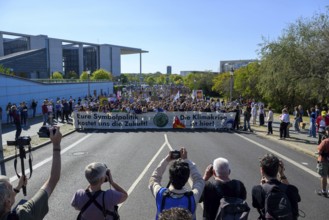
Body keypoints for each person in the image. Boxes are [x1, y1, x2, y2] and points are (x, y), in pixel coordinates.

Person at [0, 126, 62, 219]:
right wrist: (56, 145)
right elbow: (53, 180)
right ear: (8, 203)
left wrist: (17, 188)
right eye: (10, 188)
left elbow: (6, 200)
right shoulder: (23, 214)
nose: (13, 190)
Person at [149, 148, 204, 220]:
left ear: (170, 177)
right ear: (187, 178)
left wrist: (167, 160)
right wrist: (186, 160)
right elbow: (199, 180)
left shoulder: (161, 194)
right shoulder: (192, 197)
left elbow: (154, 179)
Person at [252, 154, 301, 220]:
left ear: (262, 170)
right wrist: (281, 173)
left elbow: (258, 206)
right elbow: (295, 197)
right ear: (278, 169)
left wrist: (262, 181)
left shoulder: (257, 190)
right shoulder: (292, 190)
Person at [316, 128, 329, 196]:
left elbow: (319, 151)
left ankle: (323, 191)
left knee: (323, 176)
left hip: (324, 161)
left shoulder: (325, 141)